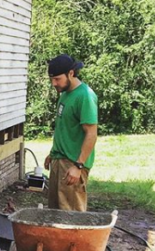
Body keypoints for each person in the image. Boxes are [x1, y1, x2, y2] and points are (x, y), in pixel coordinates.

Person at [44, 54, 98, 211]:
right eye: (51, 79)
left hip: (73, 164)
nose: (54, 84)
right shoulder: (65, 94)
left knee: (71, 215)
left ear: (71, 73)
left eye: (57, 79)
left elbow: (91, 134)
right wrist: (53, 153)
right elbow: (65, 128)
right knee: (54, 213)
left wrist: (78, 166)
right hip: (59, 160)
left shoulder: (85, 96)